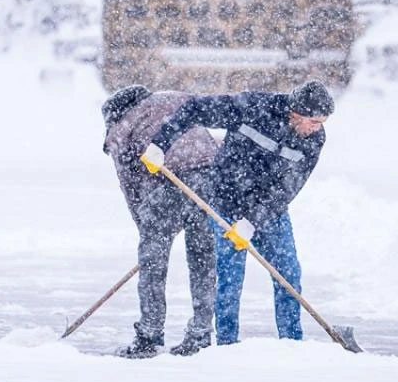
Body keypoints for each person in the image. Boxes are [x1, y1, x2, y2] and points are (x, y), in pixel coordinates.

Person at [140, 79, 334, 345]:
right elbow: (195, 109)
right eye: (312, 122)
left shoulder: (314, 140)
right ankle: (227, 344)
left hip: (268, 211)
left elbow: (289, 186)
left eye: (321, 123)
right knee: (229, 281)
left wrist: (253, 221)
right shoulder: (252, 107)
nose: (316, 129)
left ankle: (291, 344)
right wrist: (159, 144)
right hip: (225, 202)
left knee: (288, 274)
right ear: (295, 112)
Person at [101, 85, 221, 358]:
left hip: (170, 185)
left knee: (153, 265)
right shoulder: (175, 98)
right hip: (211, 179)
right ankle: (200, 334)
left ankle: (149, 335)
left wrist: (149, 233)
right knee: (202, 259)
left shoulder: (123, 124)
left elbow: (130, 184)